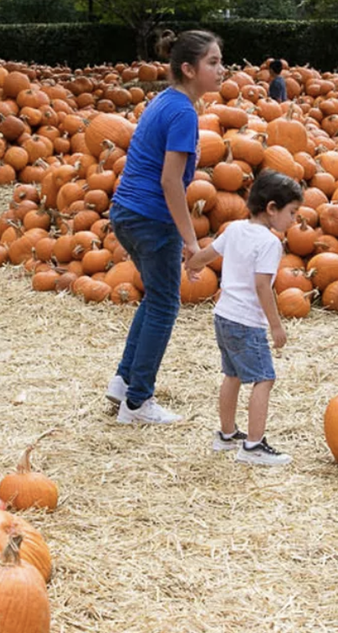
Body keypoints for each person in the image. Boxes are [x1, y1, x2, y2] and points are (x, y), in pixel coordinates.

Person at [105, 29, 225, 425]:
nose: (221, 70)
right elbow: (170, 181)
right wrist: (191, 242)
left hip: (125, 211)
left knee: (155, 298)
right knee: (165, 304)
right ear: (189, 69)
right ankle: (138, 403)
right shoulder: (183, 113)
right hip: (151, 218)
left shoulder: (166, 101)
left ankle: (124, 383)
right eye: (213, 62)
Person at [184, 170, 301, 466]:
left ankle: (225, 435)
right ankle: (253, 446)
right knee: (264, 378)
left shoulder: (234, 229)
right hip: (247, 322)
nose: (294, 220)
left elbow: (206, 255)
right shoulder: (270, 243)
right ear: (272, 208)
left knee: (232, 374)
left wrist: (191, 265)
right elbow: (262, 286)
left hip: (223, 315)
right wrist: (276, 326)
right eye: (292, 212)